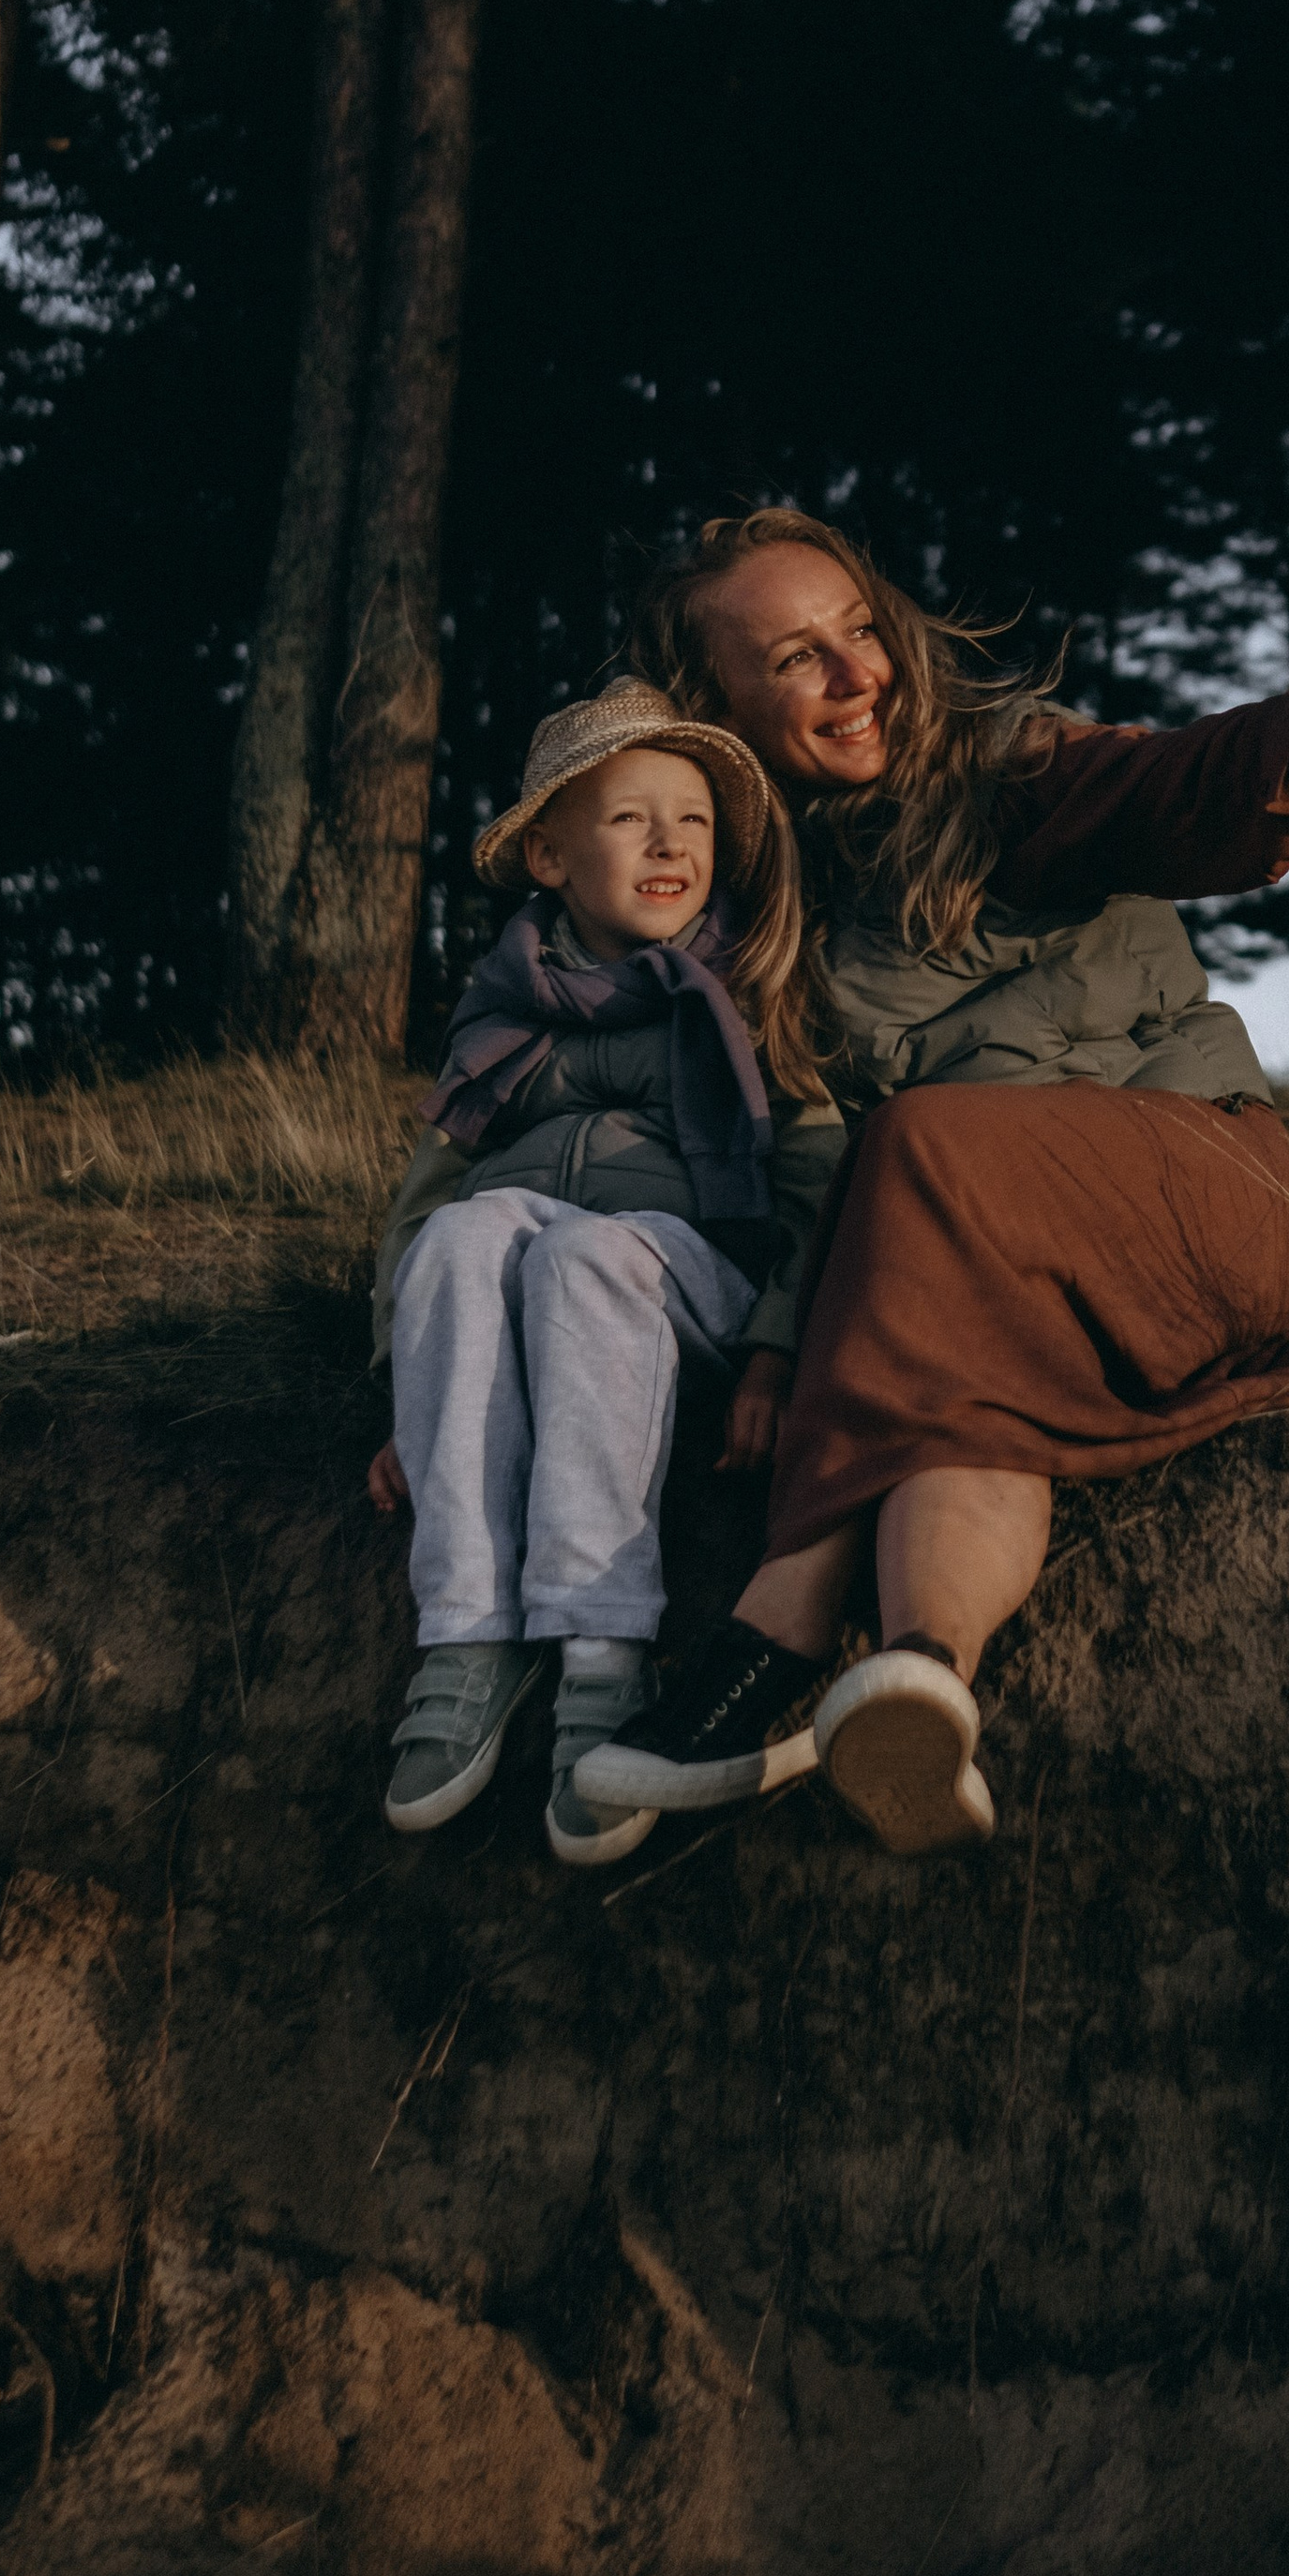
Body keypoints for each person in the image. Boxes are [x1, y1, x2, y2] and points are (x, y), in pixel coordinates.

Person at [576, 509, 1289, 1857]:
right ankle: (922, 1681)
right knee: (954, 1418)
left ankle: (772, 1637)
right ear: (716, 706)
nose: (858, 675)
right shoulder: (753, 920)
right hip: (986, 1270)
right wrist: (772, 1338)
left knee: (926, 1145)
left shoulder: (1010, 772)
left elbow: (1181, 787)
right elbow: (802, 1158)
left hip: (1196, 1205)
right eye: (796, 659)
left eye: (859, 632)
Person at [366, 677, 843, 1865]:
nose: (672, 841)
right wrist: (403, 1397)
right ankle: (469, 1637)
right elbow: (423, 1201)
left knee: (583, 1253)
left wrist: (777, 1347)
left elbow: (813, 1177)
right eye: (631, 818)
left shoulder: (750, 989)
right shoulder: (499, 1008)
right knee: (464, 1236)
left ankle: (602, 1653)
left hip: (686, 1280)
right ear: (548, 854)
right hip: (529, 1275)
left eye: (694, 820)